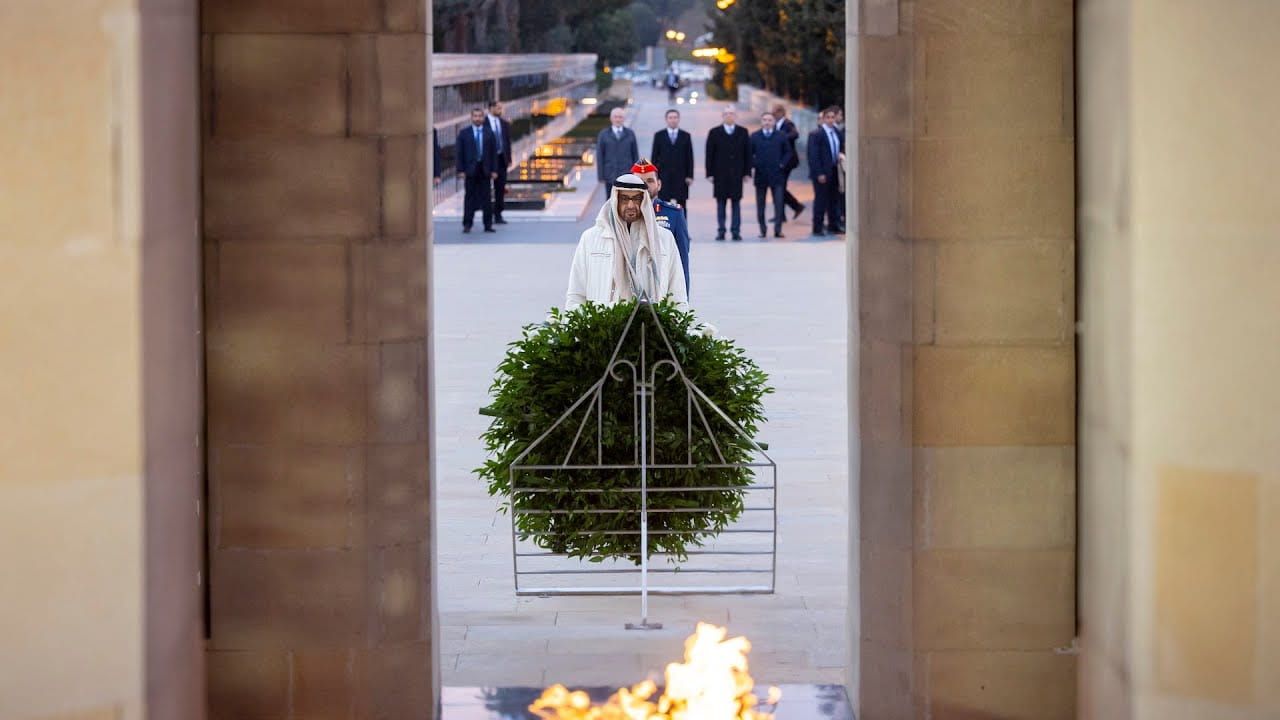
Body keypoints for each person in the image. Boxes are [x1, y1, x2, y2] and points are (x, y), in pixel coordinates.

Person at [566, 174, 688, 312]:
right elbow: (576, 295)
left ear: (644, 201)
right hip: (603, 328)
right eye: (624, 199)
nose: (631, 205)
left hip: (651, 328)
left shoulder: (664, 239)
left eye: (636, 199)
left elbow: (678, 296)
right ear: (615, 200)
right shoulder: (591, 238)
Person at [632, 159, 691, 294]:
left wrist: (682, 302)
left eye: (650, 181)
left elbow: (682, 263)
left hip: (662, 289)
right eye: (639, 181)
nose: (645, 185)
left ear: (659, 185)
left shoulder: (674, 214)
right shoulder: (621, 215)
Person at [705, 106, 751, 241]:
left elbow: (747, 153)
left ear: (736, 116)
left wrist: (747, 172)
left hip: (737, 174)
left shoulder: (743, 132)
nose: (729, 116)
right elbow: (709, 154)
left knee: (736, 203)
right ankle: (721, 230)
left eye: (731, 114)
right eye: (726, 114)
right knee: (721, 204)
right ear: (722, 116)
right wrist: (710, 173)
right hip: (720, 175)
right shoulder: (714, 132)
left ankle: (736, 230)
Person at [749, 112, 793, 239]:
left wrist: (782, 165)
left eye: (770, 120)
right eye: (764, 120)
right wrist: (755, 164)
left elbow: (788, 152)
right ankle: (762, 229)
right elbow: (749, 154)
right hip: (761, 175)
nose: (767, 122)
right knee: (760, 205)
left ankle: (778, 230)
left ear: (774, 122)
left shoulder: (781, 136)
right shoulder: (755, 136)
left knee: (778, 203)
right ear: (761, 122)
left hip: (777, 175)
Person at [455, 108, 498, 233]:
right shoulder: (464, 133)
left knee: (487, 198)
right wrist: (460, 170)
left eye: (480, 116)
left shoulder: (489, 133)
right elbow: (459, 153)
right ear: (471, 118)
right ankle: (467, 224)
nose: (478, 118)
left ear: (483, 118)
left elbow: (493, 153)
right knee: (469, 197)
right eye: (475, 116)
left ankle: (488, 224)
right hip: (470, 170)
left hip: (485, 170)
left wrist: (494, 170)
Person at [806, 107, 843, 236]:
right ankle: (817, 227)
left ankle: (833, 225)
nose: (831, 120)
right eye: (828, 117)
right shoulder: (816, 134)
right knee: (821, 200)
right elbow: (813, 156)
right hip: (822, 173)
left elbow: (841, 149)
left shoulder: (837, 133)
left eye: (833, 117)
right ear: (823, 119)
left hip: (835, 172)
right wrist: (819, 173)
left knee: (834, 200)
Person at [649, 109, 695, 213]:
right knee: (664, 206)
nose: (673, 120)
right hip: (664, 177)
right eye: (670, 118)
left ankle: (682, 228)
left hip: (681, 177)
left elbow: (689, 157)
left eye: (675, 117)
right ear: (666, 119)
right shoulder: (659, 135)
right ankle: (665, 228)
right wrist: (654, 178)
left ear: (678, 119)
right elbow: (654, 158)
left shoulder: (686, 136)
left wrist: (690, 176)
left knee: (681, 206)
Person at [770, 103, 805, 221]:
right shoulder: (774, 125)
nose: (773, 114)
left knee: (779, 187)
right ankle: (787, 212)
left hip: (788, 161)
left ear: (781, 113)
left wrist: (782, 138)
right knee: (779, 187)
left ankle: (793, 208)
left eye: (775, 112)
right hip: (778, 161)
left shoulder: (787, 124)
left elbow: (795, 134)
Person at [596, 107, 639, 197]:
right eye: (615, 117)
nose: (618, 119)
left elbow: (635, 154)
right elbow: (600, 156)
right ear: (611, 118)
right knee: (611, 201)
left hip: (627, 175)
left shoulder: (630, 133)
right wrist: (601, 176)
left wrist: (636, 174)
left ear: (624, 118)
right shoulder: (604, 134)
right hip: (610, 175)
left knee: (626, 200)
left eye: (620, 117)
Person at [486, 100, 512, 224]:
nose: (500, 110)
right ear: (490, 108)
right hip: (488, 161)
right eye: (498, 108)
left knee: (500, 188)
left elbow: (507, 142)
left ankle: (498, 215)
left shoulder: (504, 124)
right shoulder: (484, 123)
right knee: (485, 189)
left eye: (501, 108)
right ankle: (487, 215)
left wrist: (509, 158)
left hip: (502, 159)